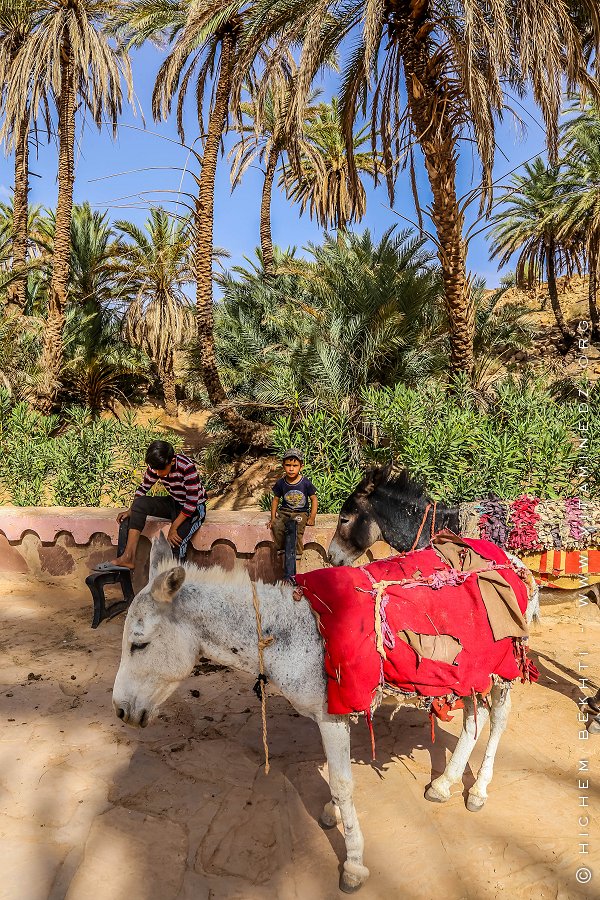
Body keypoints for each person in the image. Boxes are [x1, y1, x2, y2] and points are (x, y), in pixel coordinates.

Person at [97, 440, 206, 571]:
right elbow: (144, 488)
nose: (158, 473)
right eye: (155, 469)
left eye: (161, 470)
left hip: (194, 509)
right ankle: (128, 557)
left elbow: (191, 503)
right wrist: (131, 510)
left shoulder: (187, 467)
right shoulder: (156, 465)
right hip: (174, 502)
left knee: (177, 542)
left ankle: (177, 582)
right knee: (139, 504)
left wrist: (174, 527)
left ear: (172, 461)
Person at [268, 449, 318, 559]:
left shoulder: (305, 483)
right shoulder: (281, 483)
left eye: (295, 465)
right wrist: (272, 518)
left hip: (301, 513)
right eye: (288, 465)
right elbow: (275, 500)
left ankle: (298, 552)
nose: (291, 469)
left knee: (297, 529)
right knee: (277, 526)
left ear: (301, 466)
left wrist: (312, 517)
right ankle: (281, 548)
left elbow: (314, 499)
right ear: (283, 465)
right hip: (284, 512)